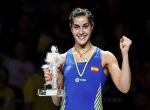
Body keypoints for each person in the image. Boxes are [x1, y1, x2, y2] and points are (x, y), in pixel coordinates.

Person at [43, 8, 132, 110]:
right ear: (71, 29)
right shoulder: (61, 60)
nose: (81, 32)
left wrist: (125, 54)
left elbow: (124, 88)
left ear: (92, 27)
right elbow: (57, 102)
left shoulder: (106, 57)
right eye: (76, 27)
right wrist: (55, 83)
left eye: (85, 26)